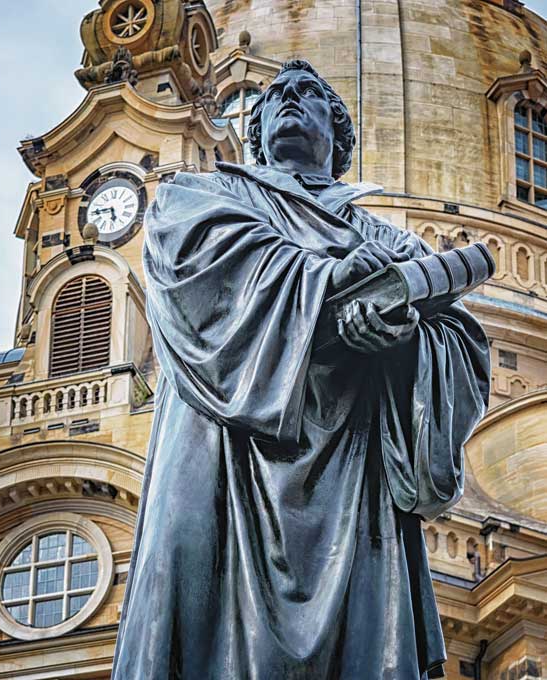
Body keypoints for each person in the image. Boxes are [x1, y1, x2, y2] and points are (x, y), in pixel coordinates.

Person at [111, 59, 490, 680]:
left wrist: (399, 340)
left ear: (338, 134)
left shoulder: (388, 240)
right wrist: (328, 277)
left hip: (354, 471)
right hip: (222, 455)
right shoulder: (206, 195)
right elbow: (193, 266)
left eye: (308, 93)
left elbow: (460, 347)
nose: (289, 99)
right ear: (255, 129)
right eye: (275, 95)